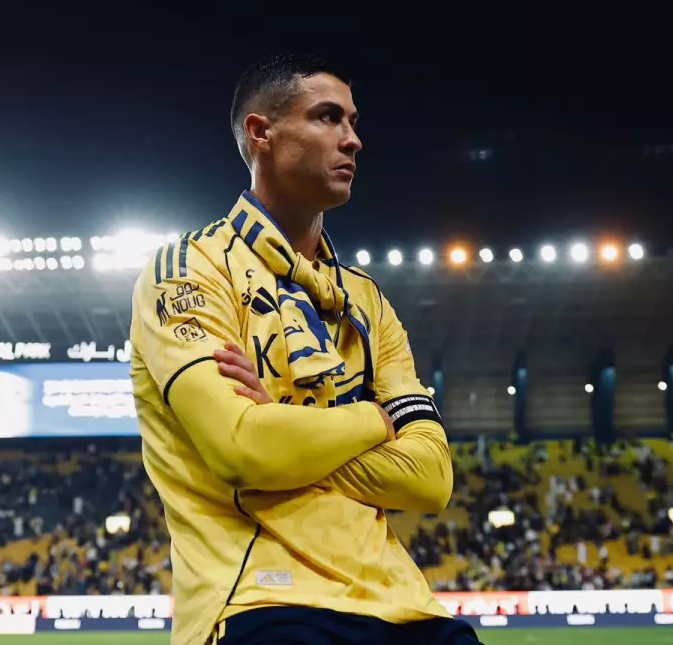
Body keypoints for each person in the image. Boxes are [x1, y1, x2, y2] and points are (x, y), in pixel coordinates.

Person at [130, 53, 480, 645]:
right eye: (327, 117)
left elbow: (429, 478)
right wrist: (376, 419)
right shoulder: (189, 270)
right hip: (261, 600)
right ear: (260, 133)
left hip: (406, 608)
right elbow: (243, 448)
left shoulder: (368, 301)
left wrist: (284, 427)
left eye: (353, 121)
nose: (353, 140)